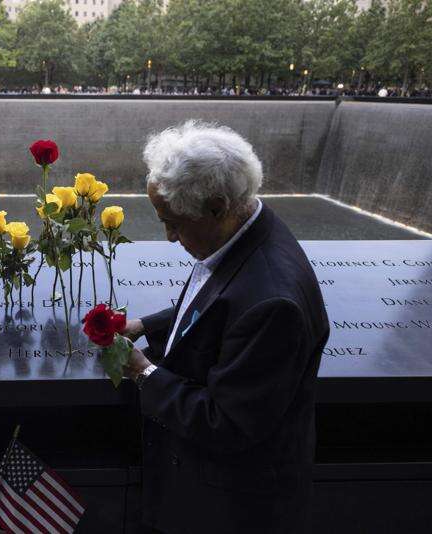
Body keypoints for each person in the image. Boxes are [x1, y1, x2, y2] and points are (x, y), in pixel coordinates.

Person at [121, 121, 330, 534]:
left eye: (174, 223)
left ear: (217, 206)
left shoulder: (274, 304)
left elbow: (227, 423)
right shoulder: (250, 228)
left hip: (230, 509)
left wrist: (144, 372)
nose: (168, 236)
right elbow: (221, 305)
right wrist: (146, 325)